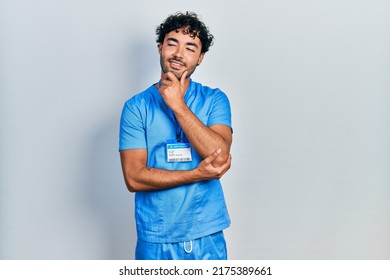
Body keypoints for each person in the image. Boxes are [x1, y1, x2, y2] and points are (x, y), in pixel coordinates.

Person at [119, 11, 233, 260]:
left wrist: (178, 106)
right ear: (160, 48)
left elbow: (220, 156)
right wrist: (195, 174)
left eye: (190, 47)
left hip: (206, 234)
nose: (179, 54)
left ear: (200, 58)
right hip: (156, 238)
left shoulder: (215, 100)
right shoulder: (136, 107)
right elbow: (134, 178)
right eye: (173, 43)